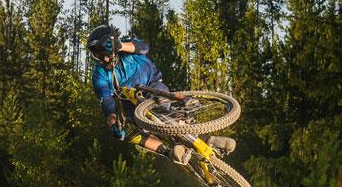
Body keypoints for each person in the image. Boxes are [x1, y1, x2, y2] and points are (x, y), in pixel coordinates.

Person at [86, 23, 234, 166]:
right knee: (129, 133)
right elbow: (107, 103)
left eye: (106, 54)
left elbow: (144, 47)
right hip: (131, 105)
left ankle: (209, 139)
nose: (105, 59)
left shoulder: (126, 48)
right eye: (99, 56)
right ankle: (170, 153)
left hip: (152, 86)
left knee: (158, 110)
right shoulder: (99, 74)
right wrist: (114, 126)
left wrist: (120, 45)